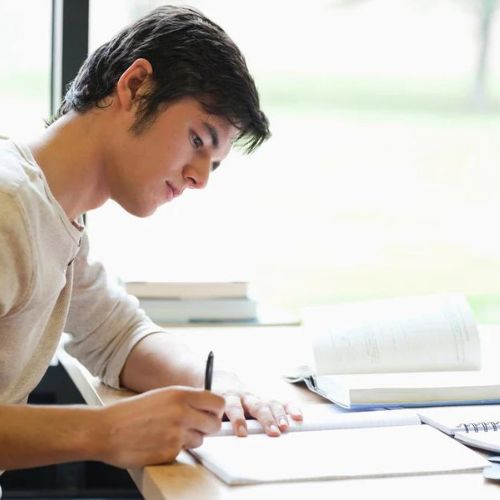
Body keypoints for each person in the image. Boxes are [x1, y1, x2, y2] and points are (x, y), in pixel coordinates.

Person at [0, 5, 302, 472]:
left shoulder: (57, 217)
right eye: (198, 141)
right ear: (135, 86)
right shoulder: (9, 206)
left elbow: (117, 334)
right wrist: (104, 432)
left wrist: (219, 384)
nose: (201, 179)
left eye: (214, 163)